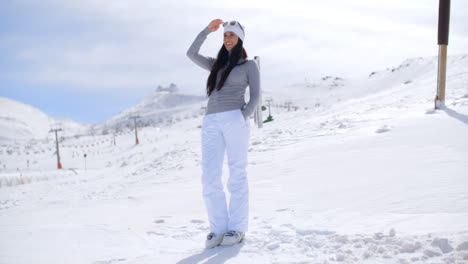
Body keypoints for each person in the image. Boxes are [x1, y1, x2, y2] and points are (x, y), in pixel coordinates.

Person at [186, 19, 260, 248]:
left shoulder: (248, 66)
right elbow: (191, 53)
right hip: (211, 121)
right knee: (209, 176)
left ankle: (237, 228)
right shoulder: (215, 64)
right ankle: (217, 229)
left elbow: (256, 95)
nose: (227, 39)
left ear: (240, 39)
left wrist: (243, 115)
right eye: (225, 35)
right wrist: (207, 31)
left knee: (237, 173)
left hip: (234, 118)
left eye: (232, 35)